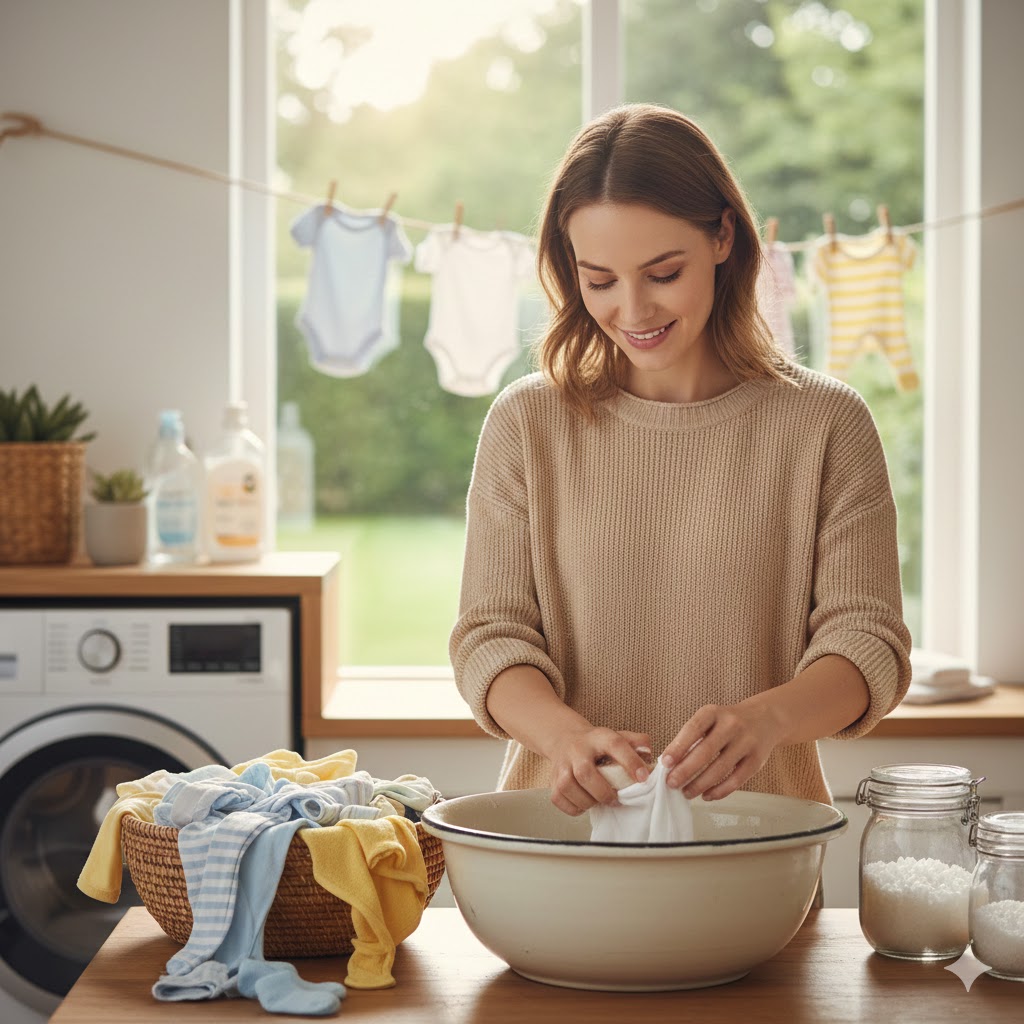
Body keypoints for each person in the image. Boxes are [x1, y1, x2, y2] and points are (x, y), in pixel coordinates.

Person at [449, 103, 912, 819]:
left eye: (663, 272)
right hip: (564, 839)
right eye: (599, 280)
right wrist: (566, 738)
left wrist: (769, 720)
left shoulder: (826, 424)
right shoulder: (526, 423)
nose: (632, 310)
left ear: (724, 235)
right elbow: (490, 637)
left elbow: (867, 642)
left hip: (762, 845)